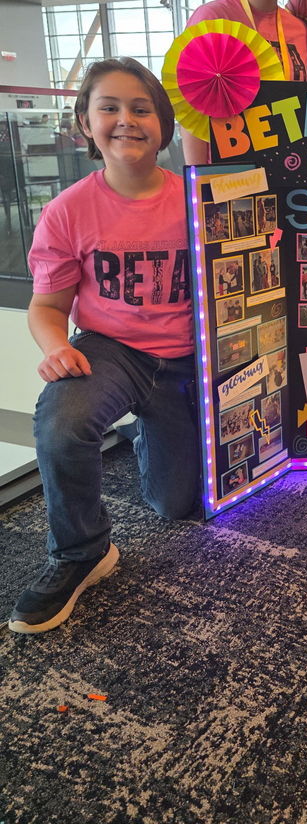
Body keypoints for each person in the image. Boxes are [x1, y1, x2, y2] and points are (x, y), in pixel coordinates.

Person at [8, 58, 200, 634]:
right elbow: (46, 307)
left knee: (175, 505)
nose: (126, 120)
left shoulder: (197, 199)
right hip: (110, 349)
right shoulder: (68, 209)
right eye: (108, 108)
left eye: (141, 108)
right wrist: (53, 347)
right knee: (63, 421)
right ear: (85, 124)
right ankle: (80, 552)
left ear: (163, 123)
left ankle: (146, 432)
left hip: (187, 358)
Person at [182, 0, 307, 165]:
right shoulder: (213, 20)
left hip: (289, 169)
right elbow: (192, 114)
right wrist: (198, 186)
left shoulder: (299, 30)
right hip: (232, 176)